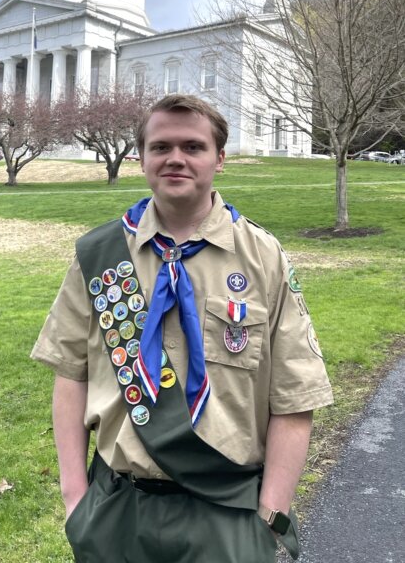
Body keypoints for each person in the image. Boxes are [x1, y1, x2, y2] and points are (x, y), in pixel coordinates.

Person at [31, 94, 333, 563]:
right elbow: (70, 375)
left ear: (220, 159)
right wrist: (75, 498)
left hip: (226, 511)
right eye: (161, 146)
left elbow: (295, 395)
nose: (175, 158)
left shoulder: (263, 258)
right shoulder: (100, 256)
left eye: (193, 147)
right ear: (142, 158)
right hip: (117, 507)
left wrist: (271, 514)